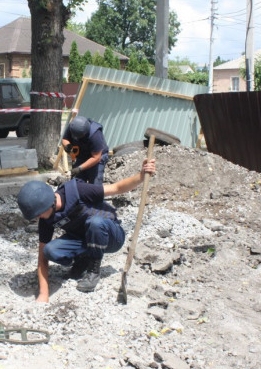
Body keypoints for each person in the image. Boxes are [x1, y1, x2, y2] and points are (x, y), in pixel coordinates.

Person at [16, 157, 156, 303]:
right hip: (86, 240)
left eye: (38, 214)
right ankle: (84, 259)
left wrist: (141, 175)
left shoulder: (78, 191)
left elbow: (116, 188)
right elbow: (42, 258)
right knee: (50, 250)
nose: (38, 218)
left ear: (49, 204)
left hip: (112, 237)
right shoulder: (47, 218)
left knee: (95, 222)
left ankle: (93, 271)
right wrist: (43, 294)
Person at [61, 115, 109, 185]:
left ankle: (95, 195)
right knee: (77, 183)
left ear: (85, 133)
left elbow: (96, 158)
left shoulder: (95, 135)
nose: (76, 138)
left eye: (79, 137)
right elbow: (65, 139)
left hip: (97, 158)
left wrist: (79, 168)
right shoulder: (73, 127)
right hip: (82, 155)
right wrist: (68, 146)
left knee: (95, 185)